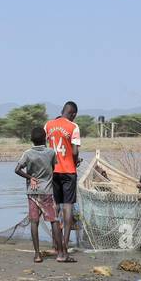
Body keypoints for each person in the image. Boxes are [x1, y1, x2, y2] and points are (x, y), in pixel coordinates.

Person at [13, 126, 60, 263]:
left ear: (32, 140)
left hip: (32, 193)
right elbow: (54, 168)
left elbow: (17, 169)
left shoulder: (27, 153)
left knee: (34, 222)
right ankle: (60, 252)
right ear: (45, 139)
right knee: (54, 221)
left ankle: (37, 255)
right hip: (47, 192)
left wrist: (30, 177)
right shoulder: (51, 152)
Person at [45, 101, 82, 262]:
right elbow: (74, 151)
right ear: (73, 113)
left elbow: (46, 146)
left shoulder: (48, 125)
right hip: (68, 171)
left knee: (55, 207)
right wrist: (75, 161)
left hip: (53, 171)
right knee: (68, 208)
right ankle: (64, 246)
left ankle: (56, 246)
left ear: (62, 110)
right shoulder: (73, 127)